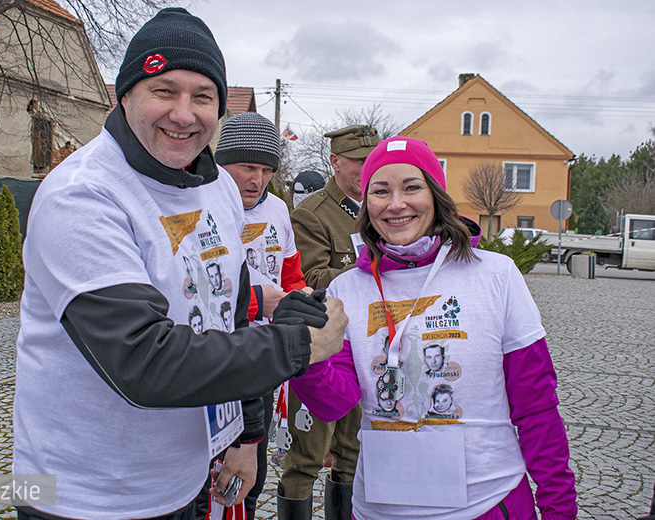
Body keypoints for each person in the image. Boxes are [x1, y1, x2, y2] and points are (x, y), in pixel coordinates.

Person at [12, 8, 347, 520]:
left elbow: (230, 316)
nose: (184, 114)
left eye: (203, 96)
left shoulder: (216, 188)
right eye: (163, 91)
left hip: (187, 478)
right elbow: (143, 360)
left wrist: (247, 434)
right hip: (80, 494)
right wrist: (298, 344)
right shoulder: (82, 196)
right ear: (124, 95)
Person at [290, 136, 578, 519]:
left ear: (437, 195)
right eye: (380, 191)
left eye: (412, 187)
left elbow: (536, 405)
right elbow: (335, 402)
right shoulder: (347, 289)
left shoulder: (495, 276)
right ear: (366, 204)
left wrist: (559, 506)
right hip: (380, 509)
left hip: (488, 503)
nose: (396, 204)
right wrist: (304, 356)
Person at [201, 111, 309, 519]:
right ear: (221, 161)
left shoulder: (279, 211)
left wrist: (303, 303)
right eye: (247, 167)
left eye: (266, 169)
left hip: (263, 358)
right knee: (214, 477)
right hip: (214, 357)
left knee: (254, 471)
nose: (256, 179)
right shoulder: (198, 204)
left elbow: (291, 275)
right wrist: (255, 302)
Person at [282, 124, 380, 519]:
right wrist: (367, 270)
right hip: (323, 347)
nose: (366, 169)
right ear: (335, 162)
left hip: (369, 343)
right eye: (358, 162)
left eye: (371, 161)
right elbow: (307, 279)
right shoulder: (312, 214)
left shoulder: (380, 208)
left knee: (353, 450)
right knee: (307, 455)